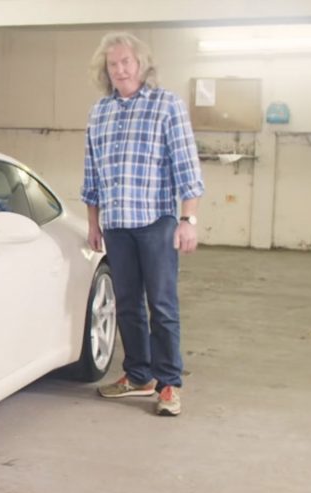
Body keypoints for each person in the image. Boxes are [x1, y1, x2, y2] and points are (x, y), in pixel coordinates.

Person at [81, 32, 204, 416]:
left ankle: (168, 383)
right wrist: (94, 223)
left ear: (141, 65)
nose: (120, 70)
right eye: (113, 64)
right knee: (128, 304)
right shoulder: (99, 112)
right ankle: (138, 375)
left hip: (156, 222)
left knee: (162, 305)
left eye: (126, 62)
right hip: (116, 224)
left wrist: (188, 219)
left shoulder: (167, 106)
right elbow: (92, 175)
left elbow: (187, 168)